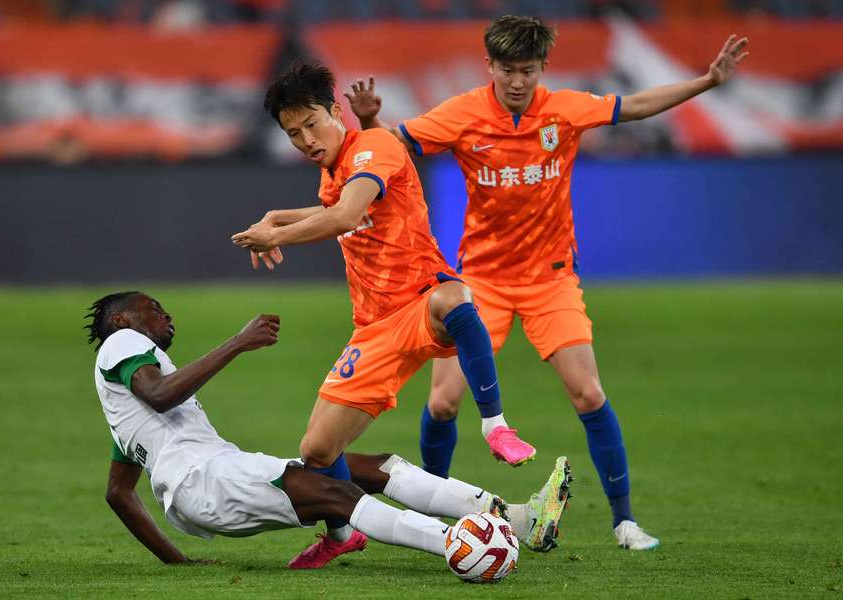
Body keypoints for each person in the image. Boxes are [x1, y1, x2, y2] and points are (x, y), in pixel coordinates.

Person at [346, 15, 749, 550]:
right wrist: (373, 124)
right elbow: (392, 152)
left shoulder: (565, 109)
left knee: (588, 392)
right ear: (489, 65)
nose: (518, 81)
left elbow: (636, 105)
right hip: (480, 281)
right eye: (508, 70)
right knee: (443, 402)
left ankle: (624, 522)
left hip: (550, 279)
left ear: (543, 68)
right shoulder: (462, 113)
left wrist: (706, 82)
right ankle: (440, 513)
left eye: (528, 71)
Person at [230, 62, 566, 567]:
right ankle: (508, 519)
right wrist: (280, 215)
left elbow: (344, 215)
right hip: (372, 330)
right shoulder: (335, 169)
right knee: (318, 451)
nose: (304, 139)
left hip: (419, 302)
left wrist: (274, 234)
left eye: (312, 124)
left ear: (334, 111)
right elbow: (342, 208)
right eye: (292, 133)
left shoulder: (377, 147)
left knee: (455, 298)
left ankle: (495, 425)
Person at [86, 291, 571, 569]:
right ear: (123, 320)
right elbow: (159, 394)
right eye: (153, 307)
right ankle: (461, 545)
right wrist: (237, 342)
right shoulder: (122, 343)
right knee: (338, 492)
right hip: (206, 480)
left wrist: (179, 563)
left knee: (365, 467)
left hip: (207, 484)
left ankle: (521, 519)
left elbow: (117, 492)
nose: (166, 314)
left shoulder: (129, 422)